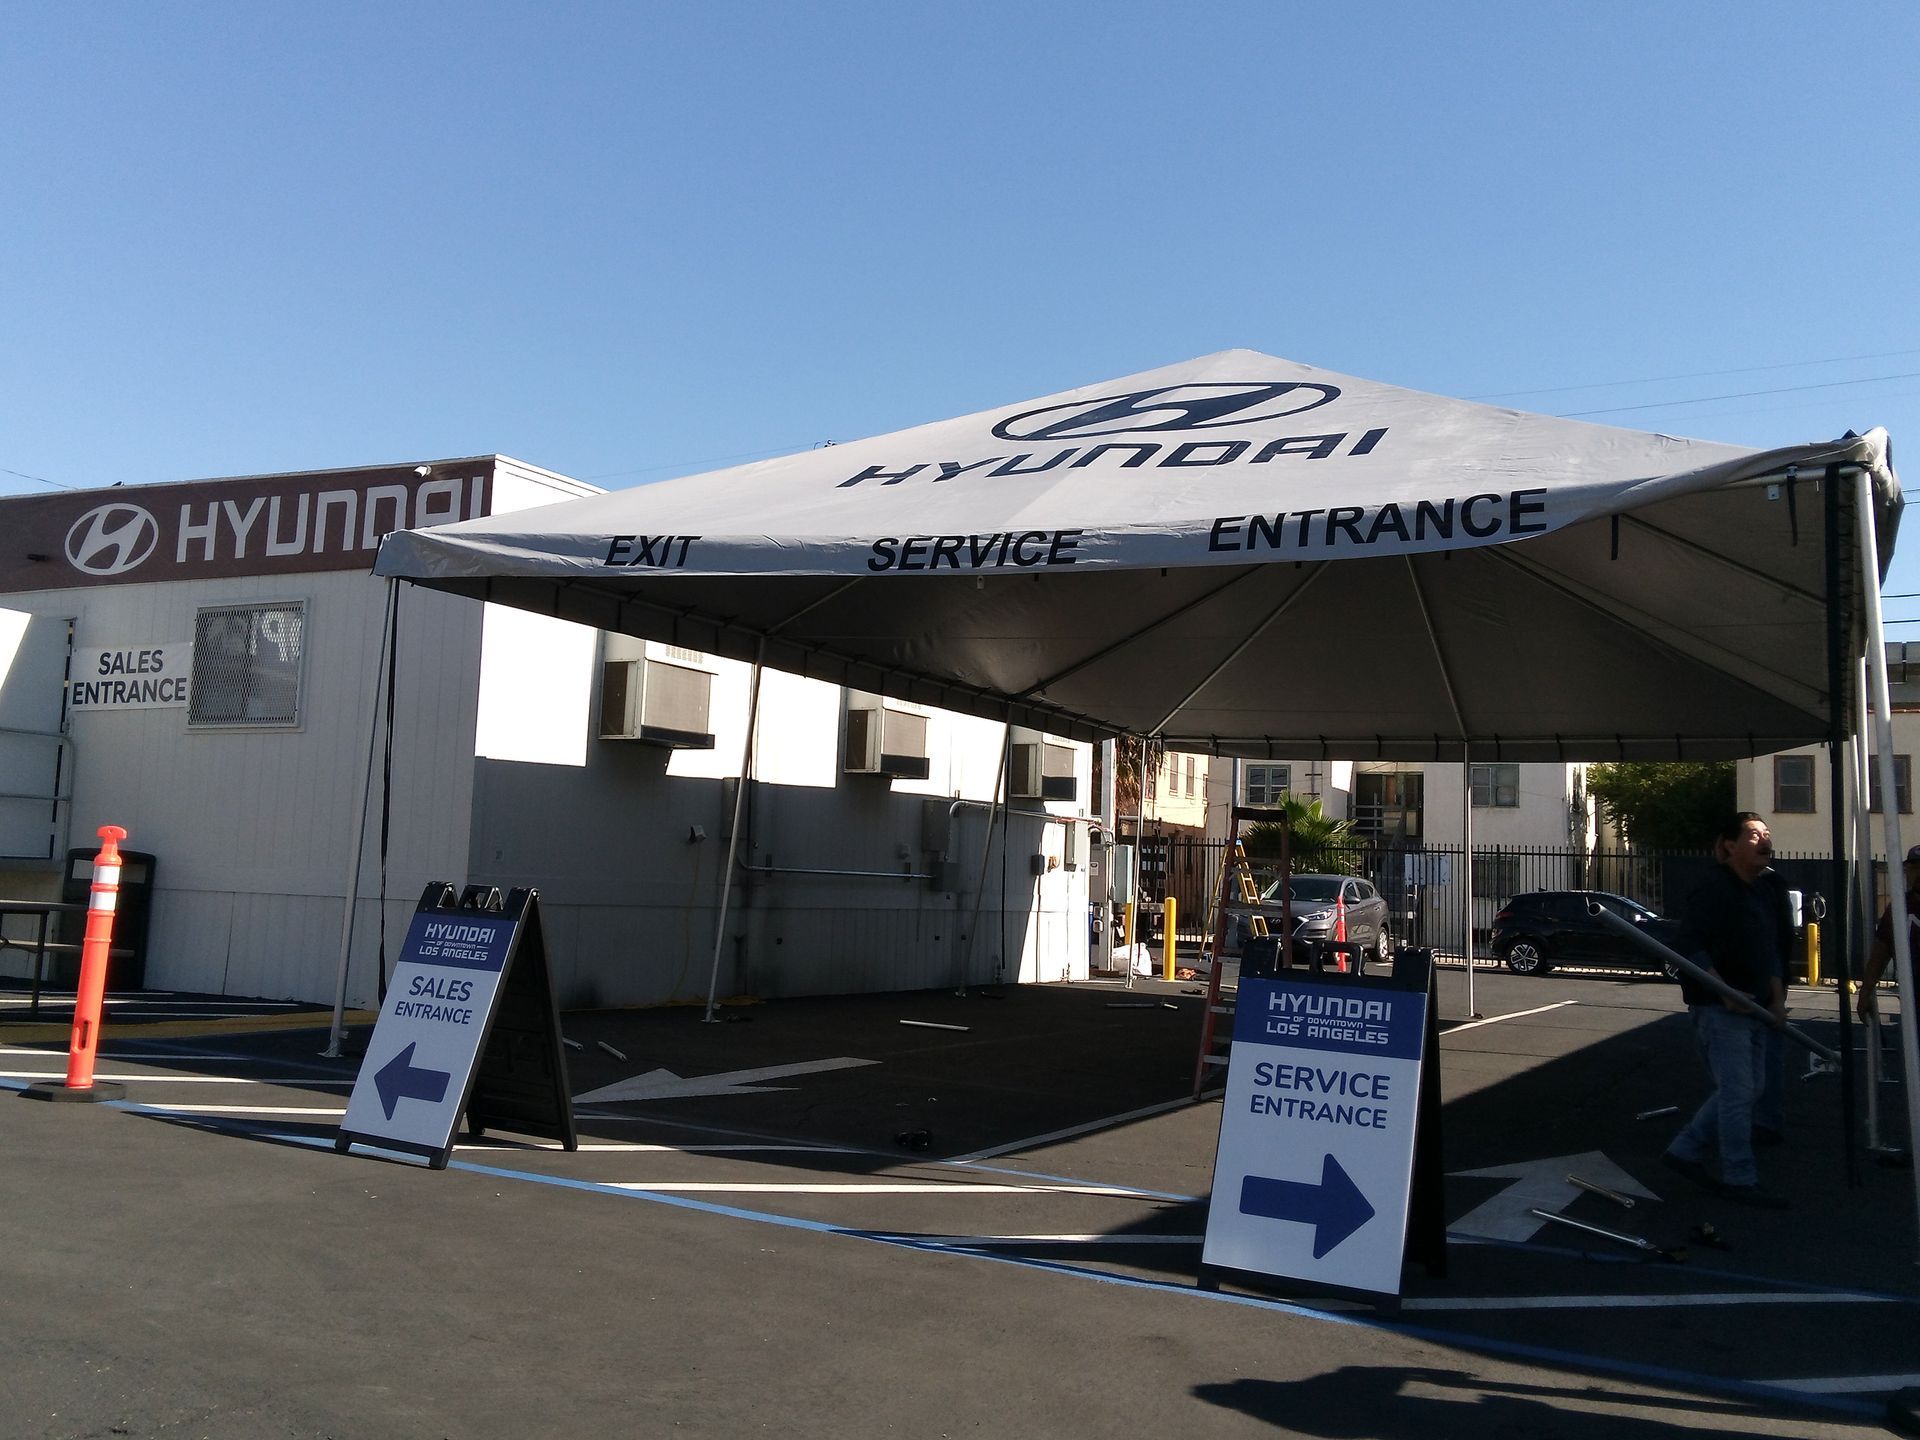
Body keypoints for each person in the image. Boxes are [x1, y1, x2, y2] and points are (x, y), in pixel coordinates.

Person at [1660, 812, 1794, 1208]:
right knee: (1738, 1091)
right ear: (1729, 845)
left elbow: (1769, 952)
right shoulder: (1714, 888)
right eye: (1753, 835)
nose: (1764, 840)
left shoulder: (1761, 891)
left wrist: (1778, 1000)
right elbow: (1690, 944)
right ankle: (1740, 1177)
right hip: (1720, 1011)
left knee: (1749, 1089)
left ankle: (1684, 1150)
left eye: (1766, 834)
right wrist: (1723, 991)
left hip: (1755, 1007)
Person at [1860, 844, 1920, 1022]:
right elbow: (1880, 954)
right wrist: (1866, 991)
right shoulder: (1898, 909)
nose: (1918, 874)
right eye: (1914, 868)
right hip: (1913, 1003)